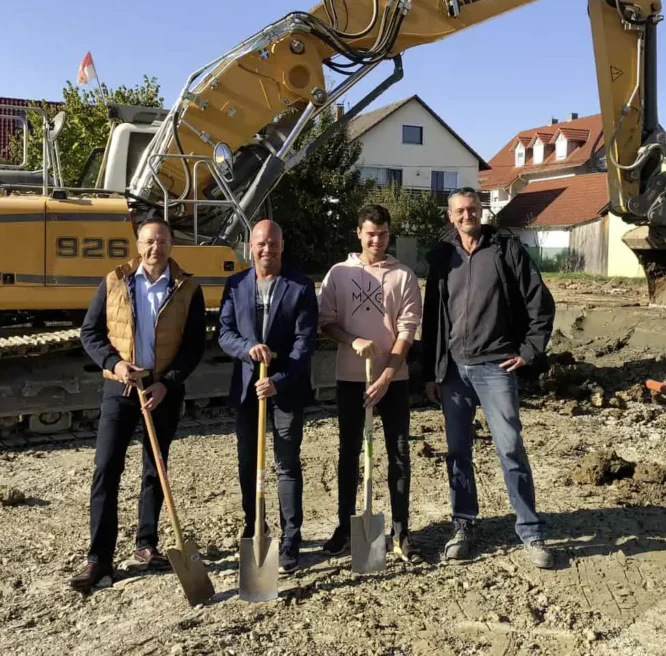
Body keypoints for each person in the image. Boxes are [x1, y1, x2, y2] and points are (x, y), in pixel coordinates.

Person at [421, 187, 557, 569]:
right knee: (457, 453)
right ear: (450, 217)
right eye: (460, 211)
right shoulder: (442, 258)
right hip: (453, 373)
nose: (467, 215)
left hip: (496, 367)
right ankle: (464, 525)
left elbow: (540, 302)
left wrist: (530, 351)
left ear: (482, 211)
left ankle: (530, 529)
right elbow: (433, 318)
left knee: (510, 448)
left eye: (473, 209)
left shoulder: (506, 250)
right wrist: (432, 371)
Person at [70, 216, 206, 592]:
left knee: (155, 470)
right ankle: (99, 559)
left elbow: (194, 346)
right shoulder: (114, 281)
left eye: (161, 242)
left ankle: (147, 545)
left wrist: (166, 383)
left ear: (171, 245)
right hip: (121, 390)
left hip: (162, 392)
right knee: (106, 470)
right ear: (137, 245)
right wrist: (115, 365)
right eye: (148, 241)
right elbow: (90, 332)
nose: (154, 248)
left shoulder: (188, 289)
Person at [318, 204, 422, 562]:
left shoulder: (403, 276)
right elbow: (326, 322)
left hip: (394, 380)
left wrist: (388, 375)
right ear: (358, 234)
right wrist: (352, 340)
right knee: (349, 453)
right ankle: (346, 528)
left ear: (389, 235)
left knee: (398, 454)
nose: (377, 240)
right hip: (351, 378)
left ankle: (400, 529)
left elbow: (408, 330)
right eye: (370, 233)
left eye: (383, 234)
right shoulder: (338, 274)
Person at [218, 219, 318, 574]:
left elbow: (305, 343)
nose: (266, 249)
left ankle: (292, 536)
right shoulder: (235, 285)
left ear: (281, 245)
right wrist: (249, 350)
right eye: (260, 244)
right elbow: (225, 333)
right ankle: (255, 525)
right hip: (248, 390)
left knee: (286, 464)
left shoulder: (300, 287)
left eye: (272, 244)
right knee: (249, 463)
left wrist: (278, 379)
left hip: (285, 389)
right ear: (250, 246)